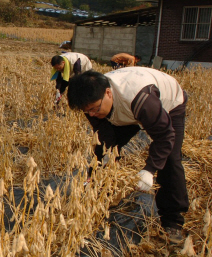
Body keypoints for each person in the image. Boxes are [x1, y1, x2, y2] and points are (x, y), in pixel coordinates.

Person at [67, 67, 189, 244]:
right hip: (124, 110)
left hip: (169, 104)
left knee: (170, 160)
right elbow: (104, 139)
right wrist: (94, 172)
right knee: (107, 150)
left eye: (94, 109)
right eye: (88, 112)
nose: (91, 115)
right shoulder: (93, 102)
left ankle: (173, 222)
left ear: (108, 93)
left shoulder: (142, 99)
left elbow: (165, 136)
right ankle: (102, 199)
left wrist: (149, 169)